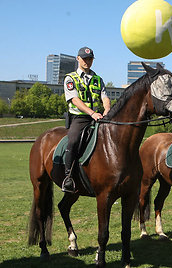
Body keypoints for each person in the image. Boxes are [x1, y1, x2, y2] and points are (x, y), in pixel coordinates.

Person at [62, 46, 111, 193]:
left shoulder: (98, 79)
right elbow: (75, 100)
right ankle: (68, 176)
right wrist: (91, 113)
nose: (87, 62)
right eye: (84, 59)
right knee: (74, 140)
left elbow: (105, 97)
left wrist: (107, 109)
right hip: (80, 118)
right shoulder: (70, 78)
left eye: (90, 59)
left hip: (98, 117)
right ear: (78, 59)